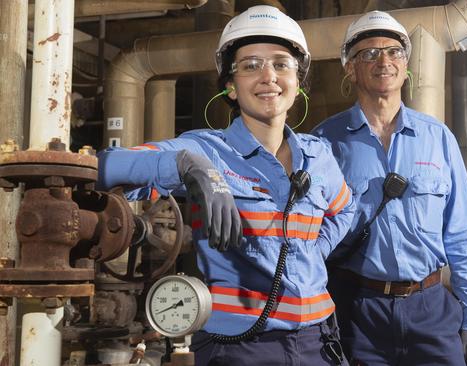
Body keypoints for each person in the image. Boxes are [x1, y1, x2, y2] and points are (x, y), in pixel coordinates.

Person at [98, 5, 353, 365]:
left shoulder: (319, 155)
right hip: (238, 345)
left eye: (281, 63)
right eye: (250, 65)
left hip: (319, 340)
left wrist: (314, 252)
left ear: (298, 81)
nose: (268, 77)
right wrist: (186, 165)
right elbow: (102, 166)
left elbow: (345, 209)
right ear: (231, 87)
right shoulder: (203, 148)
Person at [312, 11, 467, 366]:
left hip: (431, 308)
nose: (384, 61)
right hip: (356, 310)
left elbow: (465, 235)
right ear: (349, 67)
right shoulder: (324, 143)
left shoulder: (437, 137)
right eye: (369, 53)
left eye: (394, 52)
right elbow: (308, 237)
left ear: (406, 64)